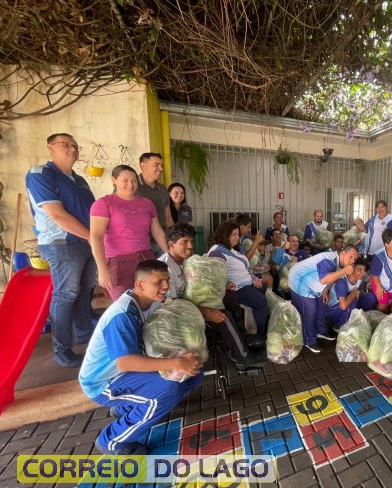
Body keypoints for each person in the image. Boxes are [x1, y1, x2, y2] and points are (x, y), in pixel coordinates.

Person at [78, 260, 202, 455]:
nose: (165, 286)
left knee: (193, 373)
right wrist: (177, 362)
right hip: (103, 382)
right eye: (158, 282)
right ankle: (111, 441)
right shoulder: (122, 315)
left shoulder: (150, 301)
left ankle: (126, 408)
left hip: (125, 373)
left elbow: (176, 313)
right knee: (168, 388)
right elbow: (125, 362)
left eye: (167, 280)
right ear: (140, 285)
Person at [25, 133, 96, 368]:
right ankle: (62, 350)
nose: (73, 149)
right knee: (66, 294)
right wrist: (92, 237)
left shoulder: (79, 180)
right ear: (51, 148)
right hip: (62, 243)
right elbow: (57, 214)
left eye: (75, 145)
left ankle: (84, 335)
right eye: (66, 144)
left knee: (85, 290)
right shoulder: (40, 174)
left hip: (85, 242)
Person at [158, 224, 264, 371]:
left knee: (230, 296)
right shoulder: (164, 268)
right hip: (180, 314)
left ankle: (243, 339)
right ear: (171, 244)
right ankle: (241, 358)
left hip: (193, 302)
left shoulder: (186, 260)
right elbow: (169, 304)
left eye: (191, 242)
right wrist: (206, 312)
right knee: (223, 316)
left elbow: (197, 283)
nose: (190, 246)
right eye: (184, 242)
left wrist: (220, 285)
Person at [90, 165, 168, 301]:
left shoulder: (147, 203)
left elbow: (157, 232)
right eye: (125, 180)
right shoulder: (104, 203)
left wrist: (169, 255)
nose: (130, 185)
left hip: (146, 257)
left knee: (149, 299)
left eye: (134, 181)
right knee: (126, 302)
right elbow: (96, 237)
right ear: (114, 180)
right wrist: (102, 269)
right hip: (118, 262)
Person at [288, 246, 360, 353]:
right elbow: (324, 280)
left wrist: (325, 290)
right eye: (351, 257)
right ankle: (309, 340)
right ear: (343, 253)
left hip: (313, 283)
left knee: (322, 305)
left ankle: (320, 330)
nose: (353, 261)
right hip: (299, 279)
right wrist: (344, 271)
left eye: (355, 259)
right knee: (309, 310)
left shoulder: (342, 265)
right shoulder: (329, 259)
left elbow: (333, 279)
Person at [208, 221, 269, 340]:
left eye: (238, 234)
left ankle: (261, 322)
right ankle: (261, 334)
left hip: (246, 283)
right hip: (237, 289)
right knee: (261, 301)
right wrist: (225, 284)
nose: (237, 237)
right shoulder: (217, 251)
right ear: (225, 234)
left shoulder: (229, 249)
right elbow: (213, 272)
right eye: (234, 234)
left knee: (265, 289)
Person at [136, 152, 172, 254]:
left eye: (161, 165)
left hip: (161, 241)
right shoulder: (132, 186)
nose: (160, 169)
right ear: (143, 166)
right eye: (156, 165)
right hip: (140, 243)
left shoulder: (163, 189)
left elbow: (168, 217)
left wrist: (174, 238)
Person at [326, 257, 368, 331]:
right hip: (333, 310)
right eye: (360, 269)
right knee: (352, 301)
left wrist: (355, 295)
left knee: (370, 298)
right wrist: (354, 293)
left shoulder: (360, 280)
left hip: (348, 307)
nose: (363, 273)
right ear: (352, 269)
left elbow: (358, 295)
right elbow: (343, 306)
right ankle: (338, 327)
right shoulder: (342, 281)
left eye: (364, 270)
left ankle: (353, 319)